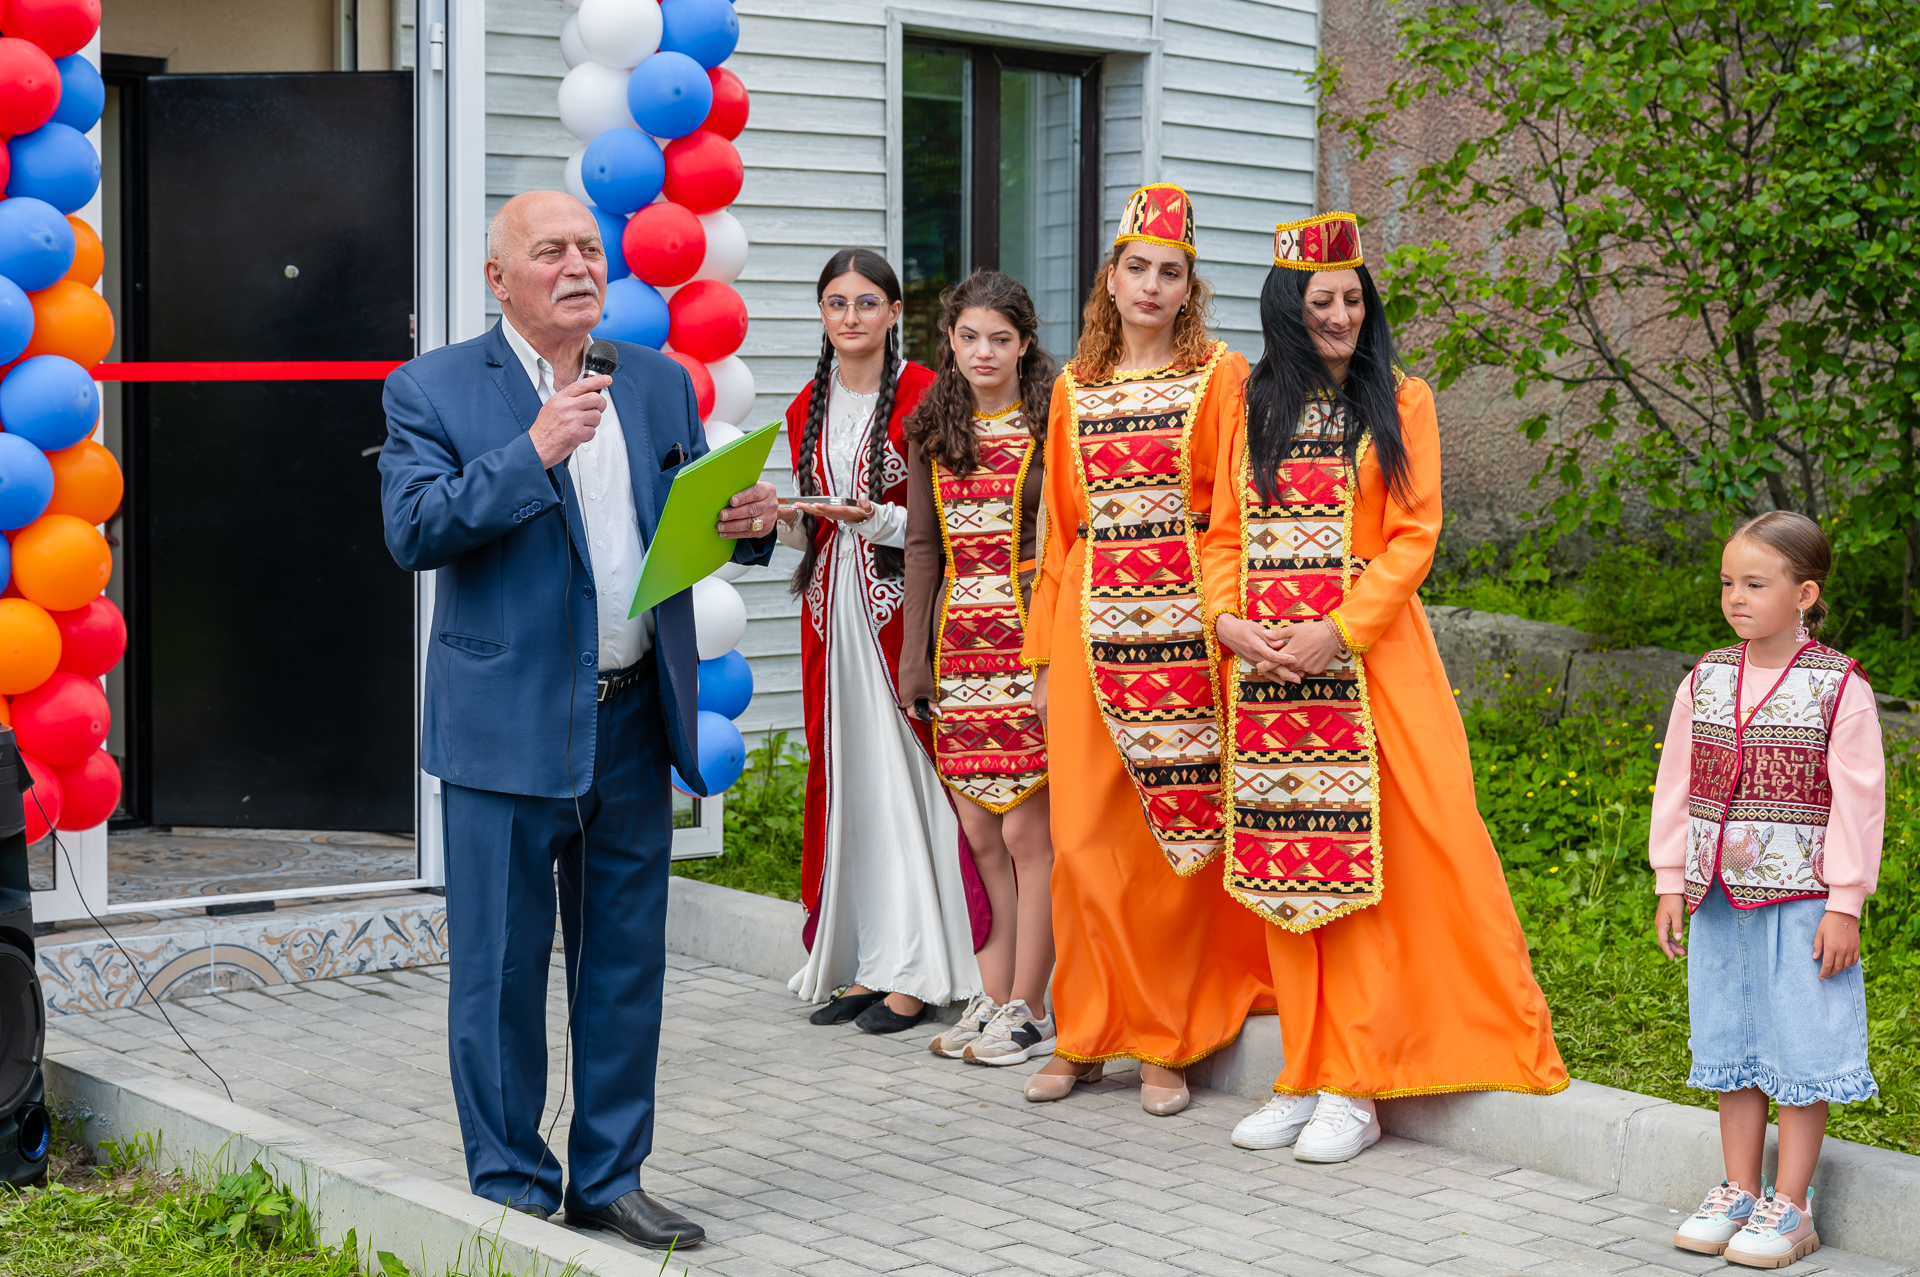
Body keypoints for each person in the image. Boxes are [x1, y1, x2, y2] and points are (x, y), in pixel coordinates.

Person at [377, 191, 776, 1249]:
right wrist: (534, 448)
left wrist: (744, 524)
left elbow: (679, 522)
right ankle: (512, 1184)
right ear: (498, 279)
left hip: (632, 716)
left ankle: (609, 1176)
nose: (578, 265)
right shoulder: (433, 386)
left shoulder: (654, 380)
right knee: (503, 971)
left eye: (590, 248)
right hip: (505, 729)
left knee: (625, 966)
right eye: (549, 250)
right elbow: (414, 528)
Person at [1203, 213, 1567, 1162]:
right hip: (1268, 681)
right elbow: (1221, 534)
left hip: (1368, 671)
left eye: (1352, 299)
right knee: (1285, 871)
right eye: (1321, 301)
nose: (1341, 316)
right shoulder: (1246, 405)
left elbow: (1413, 537)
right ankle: (1303, 1071)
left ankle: (1357, 1083)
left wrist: (1336, 630)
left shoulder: (1402, 398)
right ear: (1287, 307)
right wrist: (1228, 623)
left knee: (1370, 876)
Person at [1020, 185, 1276, 1115]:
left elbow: (1235, 511)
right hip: (1088, 630)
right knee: (1082, 841)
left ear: (1189, 287)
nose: (1152, 286)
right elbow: (1058, 531)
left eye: (1171, 272)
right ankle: (1085, 1032)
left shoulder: (1222, 378)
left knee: (1176, 837)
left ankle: (1166, 1037)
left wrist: (1228, 621)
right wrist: (1042, 659)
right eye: (1138, 268)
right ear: (1111, 277)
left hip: (1181, 633)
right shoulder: (1073, 388)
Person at [1652, 511, 1881, 1268]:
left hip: (1803, 902)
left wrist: (1844, 903)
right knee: (1732, 1040)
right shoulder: (1706, 678)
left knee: (1801, 1046)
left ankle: (1793, 1204)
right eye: (1728, 583)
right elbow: (1676, 785)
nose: (1735, 598)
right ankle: (1739, 1189)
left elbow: (1859, 804)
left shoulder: (1838, 687)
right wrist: (1671, 880)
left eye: (1755, 584)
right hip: (1719, 899)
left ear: (1804, 594)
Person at [778, 248, 988, 1033]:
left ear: (895, 313)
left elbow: (962, 513)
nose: (851, 316)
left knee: (911, 784)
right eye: (837, 302)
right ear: (822, 313)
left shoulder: (932, 394)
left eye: (868, 302)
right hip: (833, 620)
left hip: (905, 614)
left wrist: (880, 520)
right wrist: (779, 518)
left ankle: (923, 966)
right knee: (854, 784)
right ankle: (871, 957)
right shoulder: (806, 403)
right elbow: (815, 528)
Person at [899, 270, 1058, 1065]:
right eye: (969, 337)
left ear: (1025, 344)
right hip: (959, 645)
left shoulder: (1052, 423)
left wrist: (1054, 659)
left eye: (1000, 338)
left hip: (1029, 642)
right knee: (980, 832)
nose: (984, 351)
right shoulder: (932, 429)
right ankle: (993, 995)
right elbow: (922, 548)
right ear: (951, 343)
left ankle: (1032, 1006)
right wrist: (914, 661)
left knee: (1029, 832)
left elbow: (1066, 544)